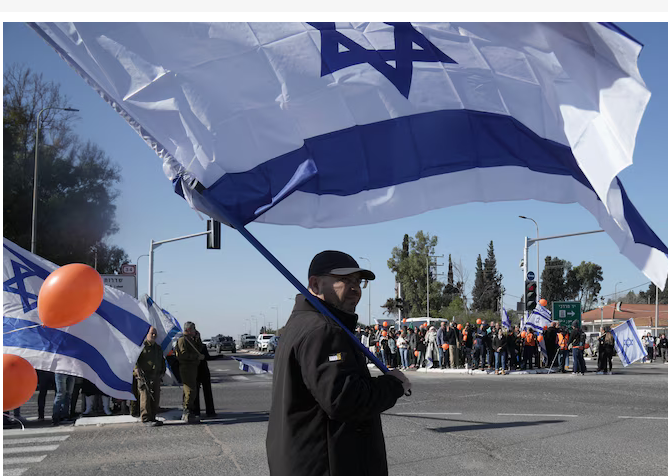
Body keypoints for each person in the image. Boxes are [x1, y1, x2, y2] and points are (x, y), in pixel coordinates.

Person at [266, 251, 410, 476]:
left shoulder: (303, 324)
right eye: (344, 280)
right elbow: (345, 400)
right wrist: (393, 385)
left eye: (358, 281)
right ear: (315, 284)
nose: (355, 288)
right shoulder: (322, 330)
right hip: (327, 462)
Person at [134, 326, 166, 426]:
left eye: (155, 334)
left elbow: (162, 360)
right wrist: (136, 369)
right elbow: (134, 359)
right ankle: (146, 418)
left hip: (156, 376)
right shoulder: (141, 347)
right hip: (144, 376)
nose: (153, 335)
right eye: (152, 333)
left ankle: (153, 417)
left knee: (155, 398)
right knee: (145, 398)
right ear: (147, 334)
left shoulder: (157, 348)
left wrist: (162, 371)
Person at [176, 321, 205, 423]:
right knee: (190, 390)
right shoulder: (182, 340)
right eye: (193, 329)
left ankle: (189, 411)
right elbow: (182, 355)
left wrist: (198, 338)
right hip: (186, 368)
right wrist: (196, 357)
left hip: (192, 367)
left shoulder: (190, 340)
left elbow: (199, 348)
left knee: (193, 390)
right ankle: (187, 412)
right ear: (188, 330)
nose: (195, 331)